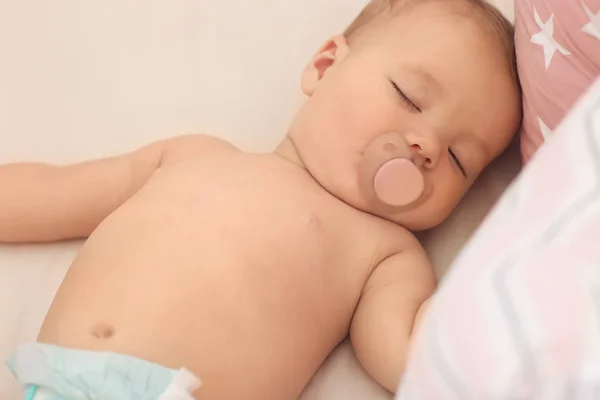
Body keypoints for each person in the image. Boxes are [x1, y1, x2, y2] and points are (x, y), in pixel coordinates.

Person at [1, 0, 521, 398]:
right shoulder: (193, 154)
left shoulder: (385, 252)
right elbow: (55, 192)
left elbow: (409, 353)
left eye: (459, 159)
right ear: (324, 66)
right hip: (56, 382)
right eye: (409, 97)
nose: (426, 147)